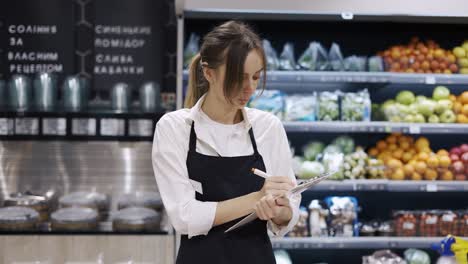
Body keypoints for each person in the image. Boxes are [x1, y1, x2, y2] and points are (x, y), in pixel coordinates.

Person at [152, 21, 301, 264]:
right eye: (238, 78)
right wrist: (255, 199)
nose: (249, 88)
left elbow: (287, 213)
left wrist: (280, 210)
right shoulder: (174, 128)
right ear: (209, 73)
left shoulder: (268, 127)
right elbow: (185, 217)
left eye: (255, 77)